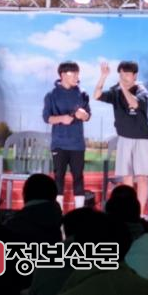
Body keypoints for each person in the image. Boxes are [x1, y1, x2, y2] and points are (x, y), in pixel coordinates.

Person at [94, 61, 148, 215]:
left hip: (141, 139)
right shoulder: (116, 91)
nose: (124, 77)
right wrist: (103, 76)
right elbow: (97, 95)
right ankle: (129, 214)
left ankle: (139, 214)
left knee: (142, 178)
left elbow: (134, 104)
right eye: (121, 74)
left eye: (127, 74)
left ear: (135, 75)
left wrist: (123, 89)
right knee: (127, 178)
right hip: (124, 138)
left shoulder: (141, 90)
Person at [42, 61, 91, 210]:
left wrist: (84, 115)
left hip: (77, 145)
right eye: (73, 73)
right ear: (63, 74)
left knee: (78, 177)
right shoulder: (51, 95)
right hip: (59, 144)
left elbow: (88, 116)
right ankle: (58, 212)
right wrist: (62, 118)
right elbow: (47, 118)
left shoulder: (82, 94)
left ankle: (79, 213)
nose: (77, 76)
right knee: (58, 178)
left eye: (78, 73)